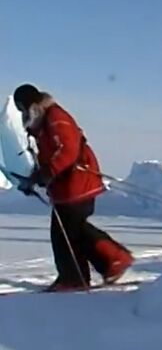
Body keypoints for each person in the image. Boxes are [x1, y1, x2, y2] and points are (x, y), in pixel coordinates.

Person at [12, 84, 134, 292]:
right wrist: (35, 178)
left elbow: (68, 149)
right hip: (68, 186)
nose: (23, 113)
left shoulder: (55, 117)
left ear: (31, 103)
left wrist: (48, 172)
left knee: (66, 231)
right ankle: (106, 264)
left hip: (78, 183)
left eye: (23, 108)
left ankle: (84, 272)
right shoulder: (43, 123)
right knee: (71, 230)